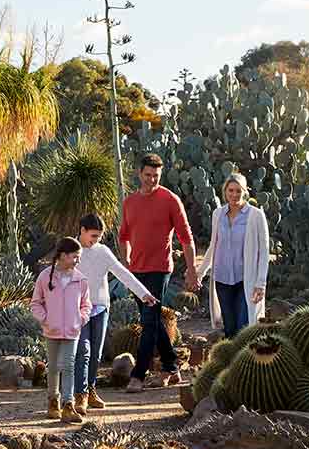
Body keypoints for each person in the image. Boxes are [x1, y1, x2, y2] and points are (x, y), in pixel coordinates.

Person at [118, 153, 198, 393]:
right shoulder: (129, 202)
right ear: (139, 174)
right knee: (153, 321)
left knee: (149, 322)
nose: (152, 180)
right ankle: (172, 367)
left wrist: (192, 270)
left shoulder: (170, 199)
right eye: (148, 175)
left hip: (159, 269)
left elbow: (186, 238)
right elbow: (123, 236)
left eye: (156, 176)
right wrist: (126, 263)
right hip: (136, 272)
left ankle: (138, 375)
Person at [74, 213, 158, 415]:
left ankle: (91, 389)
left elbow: (122, 272)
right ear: (82, 231)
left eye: (99, 236)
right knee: (83, 352)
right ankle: (80, 395)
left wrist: (144, 294)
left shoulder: (102, 251)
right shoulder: (71, 249)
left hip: (101, 307)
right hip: (78, 309)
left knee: (96, 353)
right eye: (93, 236)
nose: (96, 240)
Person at [196, 171, 270, 338]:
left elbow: (264, 252)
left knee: (244, 327)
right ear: (225, 192)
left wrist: (261, 283)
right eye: (231, 190)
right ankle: (231, 362)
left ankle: (245, 362)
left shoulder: (256, 216)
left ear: (245, 191)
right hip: (222, 279)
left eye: (238, 190)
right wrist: (200, 273)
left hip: (246, 280)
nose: (234, 194)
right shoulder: (217, 214)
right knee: (229, 328)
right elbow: (213, 246)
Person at [30, 236, 91, 424]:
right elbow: (35, 303)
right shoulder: (45, 276)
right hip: (52, 331)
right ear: (63, 256)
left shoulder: (81, 279)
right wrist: (45, 319)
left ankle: (68, 405)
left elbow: (86, 305)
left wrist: (80, 319)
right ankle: (52, 402)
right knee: (54, 367)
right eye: (74, 256)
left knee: (69, 365)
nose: (77, 260)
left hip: (72, 331)